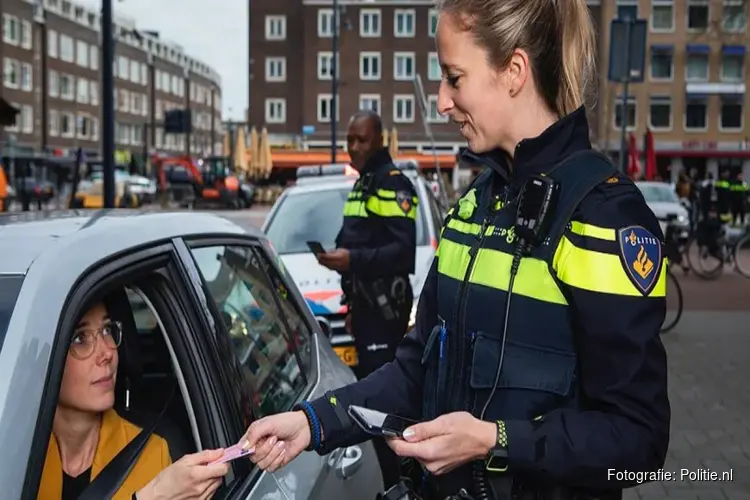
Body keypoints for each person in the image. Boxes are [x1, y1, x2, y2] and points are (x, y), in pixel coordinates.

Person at [241, 1, 670, 499]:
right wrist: (311, 423)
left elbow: (638, 440)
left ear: (513, 71)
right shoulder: (473, 208)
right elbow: (415, 371)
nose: (441, 101)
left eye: (454, 78)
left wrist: (494, 441)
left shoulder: (604, 217)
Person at [315, 109, 418, 490]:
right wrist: (344, 276)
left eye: (362, 140)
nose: (354, 147)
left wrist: (352, 259)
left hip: (385, 312)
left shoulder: (393, 184)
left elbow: (403, 252)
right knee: (373, 401)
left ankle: (402, 479)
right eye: (350, 140)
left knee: (386, 402)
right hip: (364, 309)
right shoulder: (362, 184)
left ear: (379, 141)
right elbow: (354, 240)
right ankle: (387, 476)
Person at [38, 300, 229, 500]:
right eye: (80, 338)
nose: (107, 352)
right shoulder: (16, 456)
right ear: (45, 359)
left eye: (107, 330)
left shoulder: (157, 452)